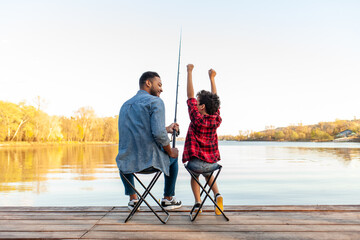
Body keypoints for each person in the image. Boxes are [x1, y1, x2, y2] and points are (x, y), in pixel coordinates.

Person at [116, 71, 182, 210]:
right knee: (174, 156)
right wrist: (170, 152)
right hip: (150, 162)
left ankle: (133, 199)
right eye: (159, 85)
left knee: (123, 156)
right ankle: (168, 198)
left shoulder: (125, 105)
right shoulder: (155, 102)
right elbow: (158, 134)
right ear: (148, 83)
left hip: (126, 165)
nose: (161, 89)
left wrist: (167, 129)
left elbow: (140, 131)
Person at [182, 64, 223, 215]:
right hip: (212, 164)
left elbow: (190, 96)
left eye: (198, 103)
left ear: (202, 106)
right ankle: (217, 195)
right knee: (207, 173)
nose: (195, 104)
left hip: (196, 163)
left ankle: (198, 203)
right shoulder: (216, 119)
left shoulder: (196, 119)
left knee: (195, 176)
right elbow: (215, 100)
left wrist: (189, 72)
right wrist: (212, 78)